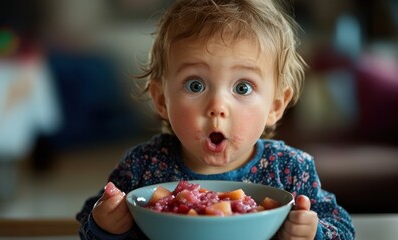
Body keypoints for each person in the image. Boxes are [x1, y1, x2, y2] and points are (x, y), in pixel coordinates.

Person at [77, 0, 355, 239]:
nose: (217, 107)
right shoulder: (141, 168)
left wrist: (313, 231)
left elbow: (343, 227)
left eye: (242, 88)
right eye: (195, 85)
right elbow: (88, 223)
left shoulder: (291, 171)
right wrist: (105, 225)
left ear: (276, 105)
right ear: (162, 100)